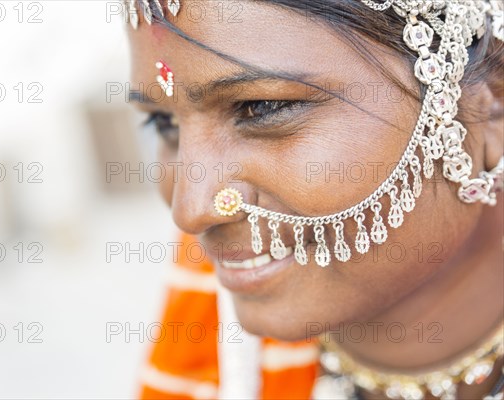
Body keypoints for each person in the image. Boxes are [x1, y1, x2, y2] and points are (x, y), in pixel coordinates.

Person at [124, 0, 504, 399]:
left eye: (261, 108)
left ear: (492, 107)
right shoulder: (206, 328)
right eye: (163, 122)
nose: (191, 211)